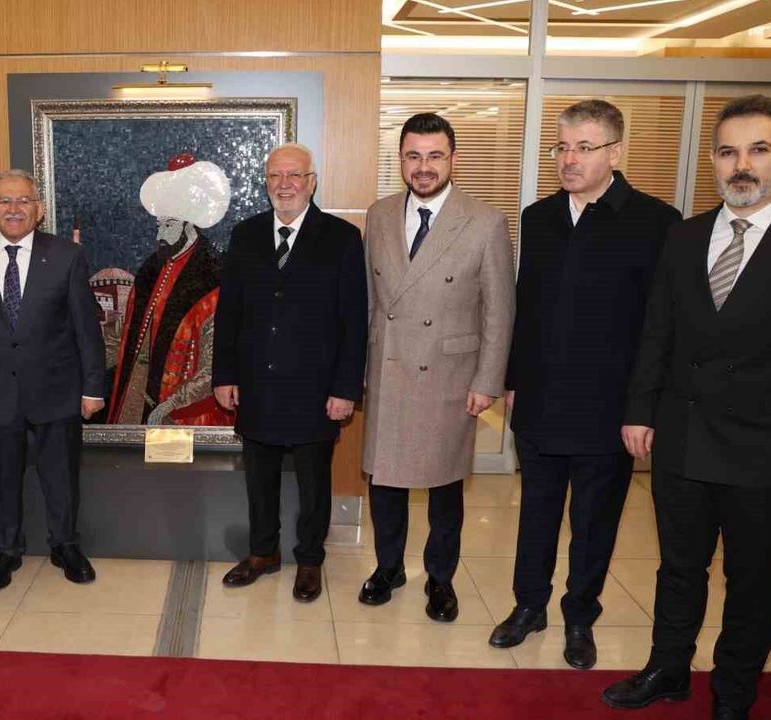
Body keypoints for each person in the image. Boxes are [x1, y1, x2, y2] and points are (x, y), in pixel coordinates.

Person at [602, 95, 771, 720]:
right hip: (683, 435)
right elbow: (657, 331)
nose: (741, 165)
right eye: (728, 152)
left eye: (757, 149)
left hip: (764, 452)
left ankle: (733, 693)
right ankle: (668, 668)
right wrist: (639, 410)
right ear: (713, 161)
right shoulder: (685, 236)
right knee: (678, 568)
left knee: (751, 581)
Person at [491, 100, 680, 668]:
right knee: (536, 513)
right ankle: (528, 606)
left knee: (594, 522)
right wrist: (513, 379)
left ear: (615, 152)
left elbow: (660, 325)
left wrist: (643, 408)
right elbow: (526, 305)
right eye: (562, 147)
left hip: (608, 407)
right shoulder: (539, 217)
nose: (568, 159)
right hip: (540, 399)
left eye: (584, 147)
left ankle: (580, 616)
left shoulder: (655, 222)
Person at [357, 113, 514, 621]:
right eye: (413, 156)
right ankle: (388, 568)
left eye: (434, 156)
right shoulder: (379, 214)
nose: (423, 167)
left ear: (453, 160)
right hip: (389, 366)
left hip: (449, 376)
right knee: (385, 482)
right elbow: (369, 300)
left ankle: (440, 578)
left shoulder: (485, 221)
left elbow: (499, 310)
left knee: (445, 487)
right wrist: (361, 369)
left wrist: (488, 380)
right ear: (400, 159)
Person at [212, 142, 368, 603]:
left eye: (295, 175)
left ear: (311, 182)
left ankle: (310, 558)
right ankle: (262, 553)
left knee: (314, 483)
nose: (285, 184)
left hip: (315, 389)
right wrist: (224, 375)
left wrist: (346, 389)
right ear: (266, 183)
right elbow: (229, 312)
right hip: (256, 384)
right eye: (276, 176)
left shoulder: (342, 238)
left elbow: (354, 321)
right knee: (258, 479)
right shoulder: (245, 235)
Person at [0, 169, 105, 589]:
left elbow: (86, 328)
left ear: (39, 209)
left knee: (61, 475)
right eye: (5, 201)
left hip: (57, 390)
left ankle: (65, 545)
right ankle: (6, 550)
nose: (14, 209)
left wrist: (93, 388)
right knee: (0, 479)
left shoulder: (67, 256)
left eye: (23, 201)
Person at [106, 153, 233, 426]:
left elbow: (217, 363)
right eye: (158, 225)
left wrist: (170, 404)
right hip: (139, 399)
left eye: (169, 225)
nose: (159, 234)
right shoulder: (151, 269)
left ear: (190, 224)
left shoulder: (215, 273)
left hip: (189, 412)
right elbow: (126, 336)